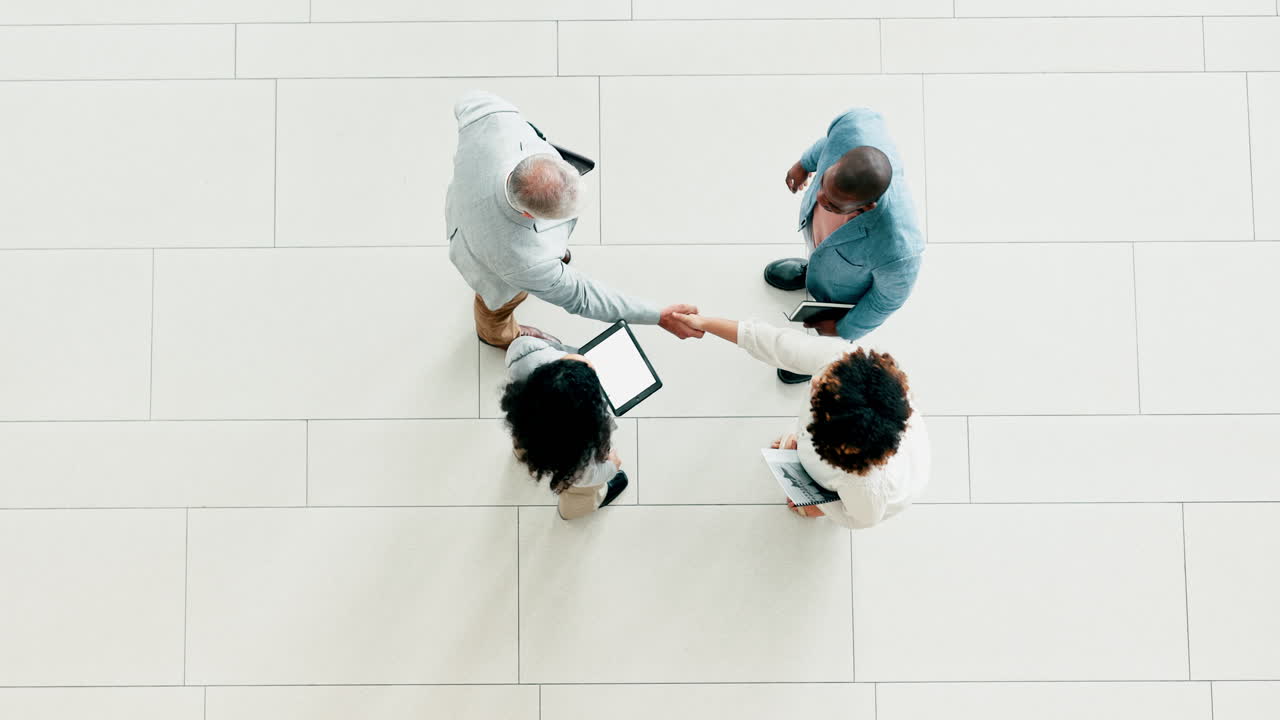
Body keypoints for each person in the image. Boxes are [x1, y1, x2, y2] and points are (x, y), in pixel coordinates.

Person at [446, 90, 702, 350]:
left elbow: (466, 100)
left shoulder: (492, 118)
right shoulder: (527, 263)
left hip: (466, 199)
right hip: (487, 261)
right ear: (527, 214)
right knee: (497, 307)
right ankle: (496, 335)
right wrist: (658, 316)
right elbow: (584, 297)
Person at [673, 311, 928, 529]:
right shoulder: (843, 364)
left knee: (829, 493)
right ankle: (803, 454)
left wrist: (822, 508)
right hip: (854, 444)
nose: (814, 381)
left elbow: (863, 519)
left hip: (865, 486)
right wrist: (705, 323)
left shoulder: (865, 485)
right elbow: (778, 344)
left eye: (819, 394)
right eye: (824, 380)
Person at [765, 108, 925, 383]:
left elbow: (886, 300)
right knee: (821, 253)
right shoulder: (855, 126)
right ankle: (813, 272)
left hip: (847, 291)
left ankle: (817, 358)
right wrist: (805, 163)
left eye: (833, 204)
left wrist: (841, 329)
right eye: (824, 185)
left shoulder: (899, 249)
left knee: (829, 338)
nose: (821, 198)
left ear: (866, 207)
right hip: (828, 249)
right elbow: (830, 143)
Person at [501, 335, 628, 520]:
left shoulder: (526, 360)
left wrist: (565, 357)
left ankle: (520, 453)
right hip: (568, 461)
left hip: (528, 431)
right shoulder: (579, 449)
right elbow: (585, 476)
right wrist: (611, 467)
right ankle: (572, 510)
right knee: (578, 492)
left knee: (523, 444)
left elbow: (520, 345)